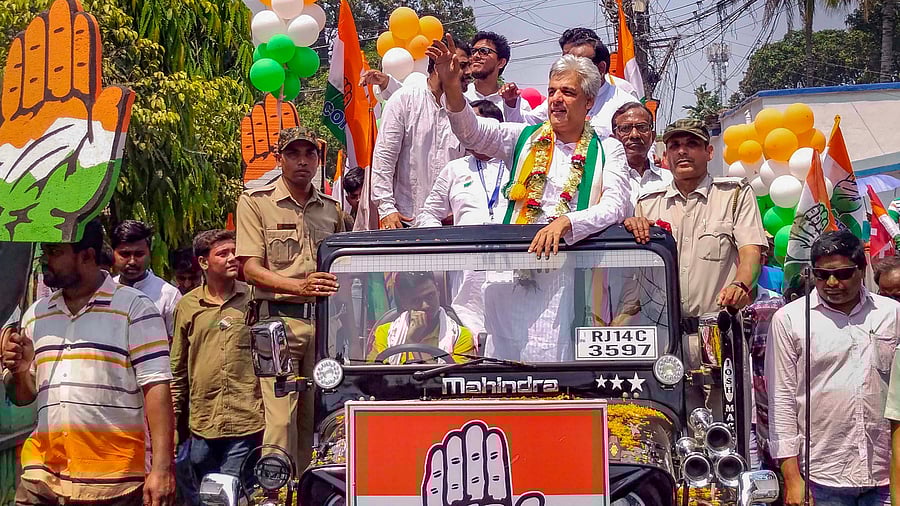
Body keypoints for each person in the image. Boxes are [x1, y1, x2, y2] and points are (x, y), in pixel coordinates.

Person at [1, 219, 175, 506]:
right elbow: (23, 397)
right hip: (41, 478)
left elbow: (157, 389)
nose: (46, 261)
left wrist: (162, 468)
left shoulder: (135, 309)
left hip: (112, 483)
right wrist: (19, 372)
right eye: (44, 252)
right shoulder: (36, 314)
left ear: (87, 256)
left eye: (55, 252)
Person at [428, 38, 630, 256]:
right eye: (552, 92)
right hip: (522, 270)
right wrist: (451, 86)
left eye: (568, 92)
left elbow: (615, 206)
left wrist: (567, 222)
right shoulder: (523, 138)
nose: (556, 99)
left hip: (577, 273)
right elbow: (471, 134)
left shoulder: (608, 149)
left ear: (589, 102)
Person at [236, 125, 345, 470]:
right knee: (280, 422)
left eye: (310, 153)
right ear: (279, 158)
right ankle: (276, 493)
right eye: (293, 154)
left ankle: (311, 491)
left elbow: (348, 269)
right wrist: (298, 286)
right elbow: (249, 269)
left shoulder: (331, 209)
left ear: (318, 159)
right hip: (277, 324)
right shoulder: (256, 203)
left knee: (319, 419)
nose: (302, 161)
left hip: (325, 326)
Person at [767, 229, 898, 506]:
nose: (831, 282)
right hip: (822, 478)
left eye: (842, 274)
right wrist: (791, 477)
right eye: (822, 275)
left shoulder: (891, 314)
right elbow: (782, 401)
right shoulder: (790, 319)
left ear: (862, 270)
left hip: (887, 475)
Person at [624, 118, 765, 318]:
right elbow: (634, 274)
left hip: (717, 331)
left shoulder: (734, 195)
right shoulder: (647, 205)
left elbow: (751, 252)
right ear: (665, 156)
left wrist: (739, 285)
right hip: (662, 333)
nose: (682, 151)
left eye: (692, 144)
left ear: (709, 152)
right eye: (674, 146)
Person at [170, 230, 264, 505]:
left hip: (246, 418)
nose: (233, 258)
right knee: (202, 491)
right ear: (203, 263)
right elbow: (177, 369)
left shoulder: (253, 300)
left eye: (234, 252)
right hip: (202, 421)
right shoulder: (188, 306)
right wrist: (174, 423)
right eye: (223, 254)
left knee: (228, 490)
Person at [371, 38, 472, 229]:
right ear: (438, 67)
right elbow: (384, 159)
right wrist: (386, 209)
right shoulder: (404, 100)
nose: (468, 73)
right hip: (407, 221)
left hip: (453, 224)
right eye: (461, 65)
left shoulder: (464, 111)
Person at [503, 27, 639, 138]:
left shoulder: (624, 102)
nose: (570, 68)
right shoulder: (558, 100)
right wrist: (511, 104)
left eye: (580, 63)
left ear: (601, 68)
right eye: (566, 60)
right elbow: (525, 128)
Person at [415, 100, 509, 227]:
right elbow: (429, 213)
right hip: (465, 244)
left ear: (492, 128)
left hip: (514, 243)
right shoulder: (454, 169)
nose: (466, 133)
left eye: (472, 126)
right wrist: (440, 240)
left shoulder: (515, 164)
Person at [367, 272, 474, 364]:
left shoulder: (460, 337)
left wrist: (413, 342)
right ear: (404, 302)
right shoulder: (385, 334)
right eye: (416, 301)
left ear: (438, 290)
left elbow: (446, 380)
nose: (425, 305)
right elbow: (374, 378)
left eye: (430, 296)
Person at [111, 220, 182, 337]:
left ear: (150, 253)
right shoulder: (105, 291)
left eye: (139, 254)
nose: (132, 261)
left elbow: (176, 344)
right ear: (113, 254)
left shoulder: (169, 295)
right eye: (125, 254)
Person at [611, 102, 671, 208]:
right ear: (613, 138)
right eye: (625, 128)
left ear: (652, 136)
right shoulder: (604, 181)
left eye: (642, 127)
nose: (635, 135)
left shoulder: (670, 180)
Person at [465, 31, 531, 120]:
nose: (476, 56)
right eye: (473, 51)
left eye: (484, 51)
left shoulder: (517, 105)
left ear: (501, 62)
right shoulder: (461, 96)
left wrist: (510, 105)